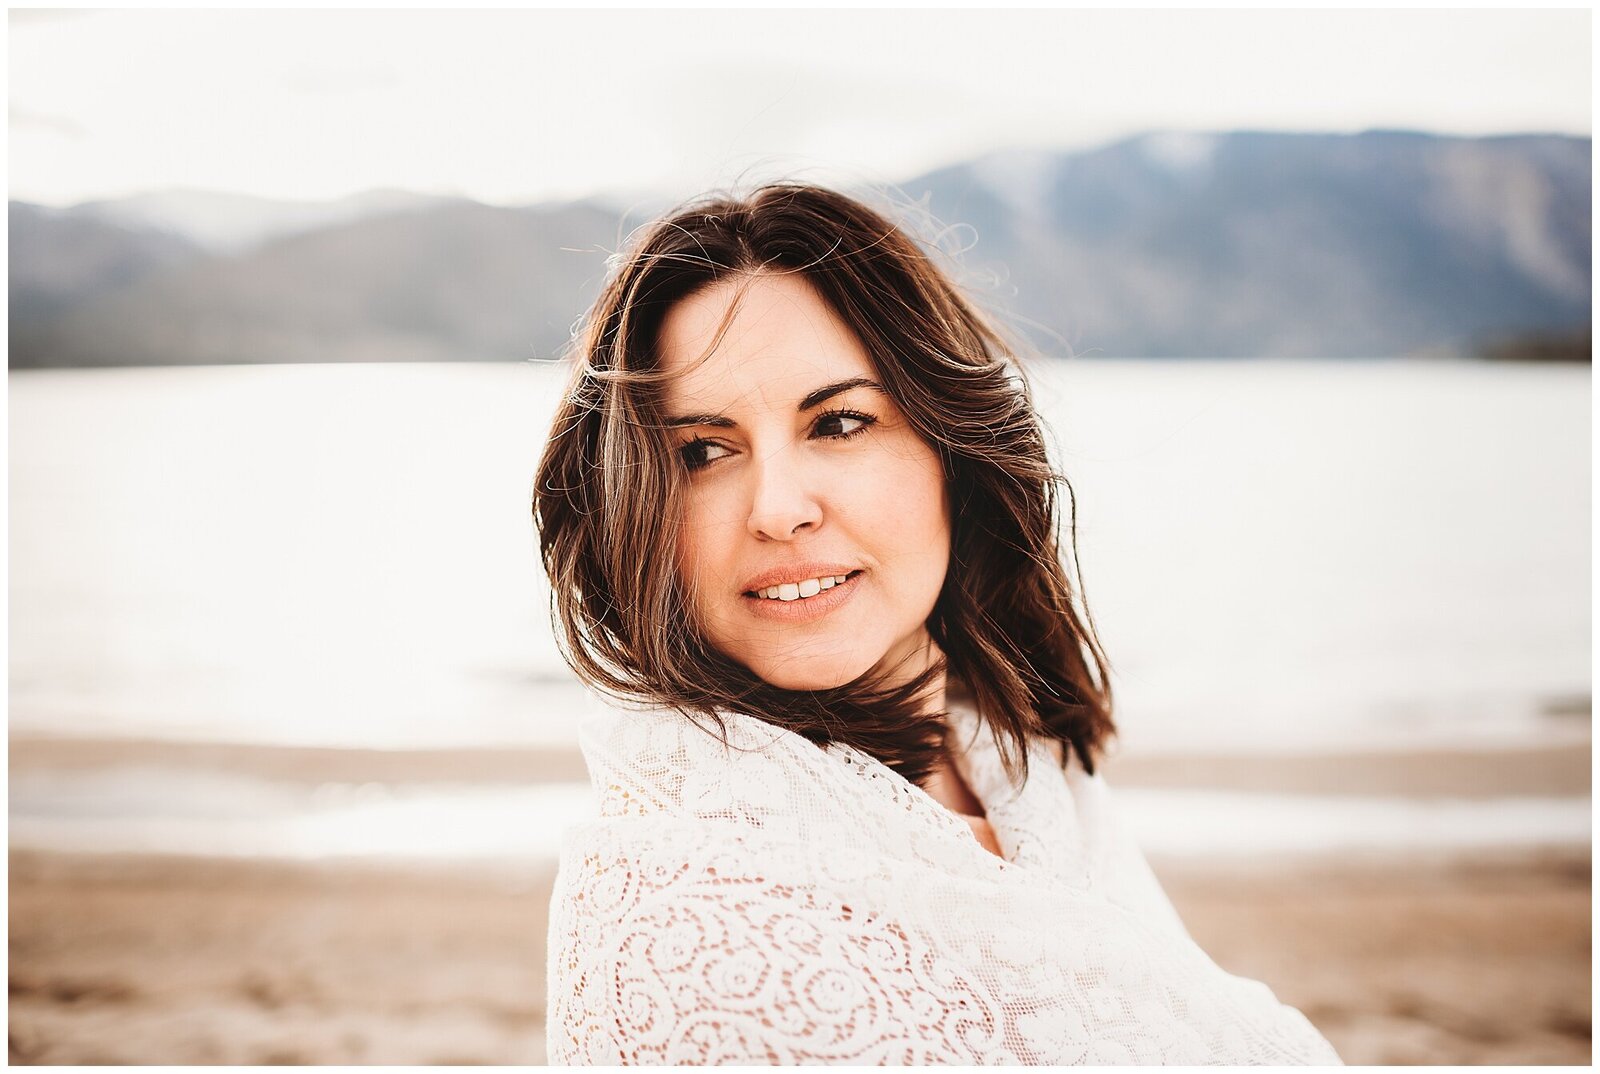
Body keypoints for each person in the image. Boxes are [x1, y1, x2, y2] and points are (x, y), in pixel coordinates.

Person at [532, 181, 1341, 1065]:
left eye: (839, 422)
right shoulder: (688, 935)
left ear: (951, 448)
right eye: (702, 451)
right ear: (628, 505)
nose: (778, 509)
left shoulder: (1014, 759)